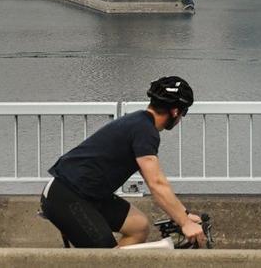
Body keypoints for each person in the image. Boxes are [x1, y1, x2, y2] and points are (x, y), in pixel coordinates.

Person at [40, 76, 206, 249]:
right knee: (105, 257)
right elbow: (157, 184)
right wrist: (185, 224)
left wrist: (184, 216)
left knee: (138, 227)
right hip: (66, 195)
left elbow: (154, 179)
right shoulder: (145, 131)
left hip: (88, 194)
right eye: (184, 112)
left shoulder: (140, 122)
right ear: (175, 111)